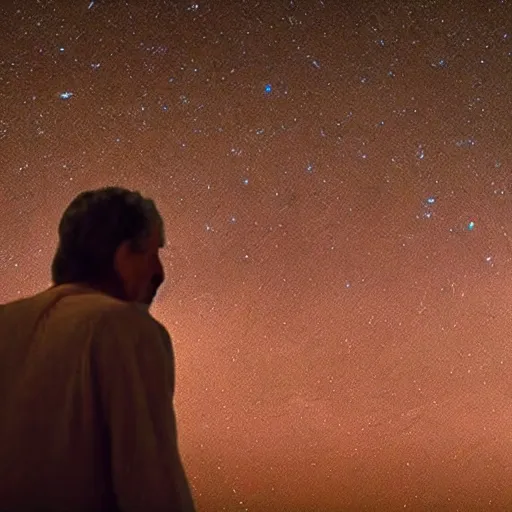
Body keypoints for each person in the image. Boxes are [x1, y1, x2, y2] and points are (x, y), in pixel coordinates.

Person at [0, 186, 197, 512]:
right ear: (122, 255)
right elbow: (152, 487)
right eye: (152, 253)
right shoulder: (125, 330)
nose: (159, 272)